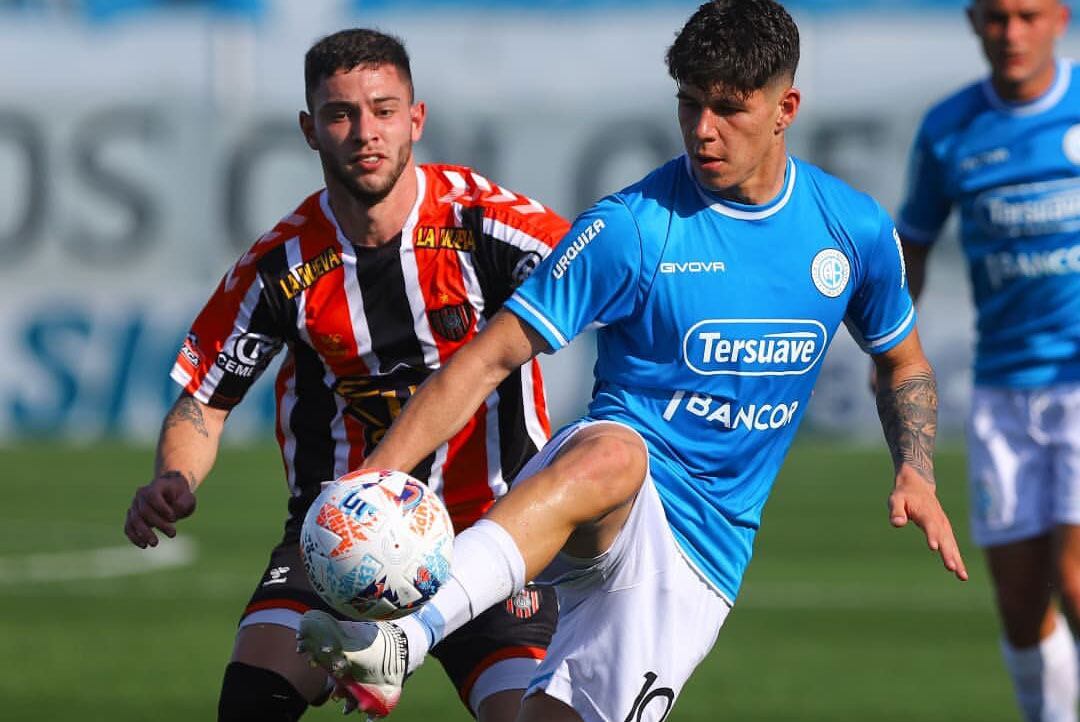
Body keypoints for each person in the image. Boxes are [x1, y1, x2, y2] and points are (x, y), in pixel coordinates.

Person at [296, 2, 970, 720]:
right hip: (600, 496)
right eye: (689, 104)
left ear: (786, 108)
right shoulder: (631, 227)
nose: (703, 131)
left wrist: (916, 470)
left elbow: (903, 361)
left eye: (729, 109)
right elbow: (487, 358)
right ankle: (402, 638)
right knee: (617, 453)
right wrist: (372, 482)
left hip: (700, 559)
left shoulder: (852, 229)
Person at [122, 28, 570, 722]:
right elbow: (204, 401)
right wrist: (174, 479)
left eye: (384, 110)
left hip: (494, 532)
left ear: (415, 118)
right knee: (250, 704)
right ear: (309, 130)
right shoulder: (281, 266)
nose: (366, 132)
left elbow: (612, 285)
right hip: (337, 540)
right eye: (341, 114)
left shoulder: (487, 224)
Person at [896, 1, 1080, 720]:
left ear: (1060, 19)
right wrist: (888, 340)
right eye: (996, 18)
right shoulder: (949, 130)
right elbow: (912, 242)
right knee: (1018, 602)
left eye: (1028, 16)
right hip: (1004, 391)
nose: (1012, 34)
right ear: (974, 22)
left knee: (1074, 579)